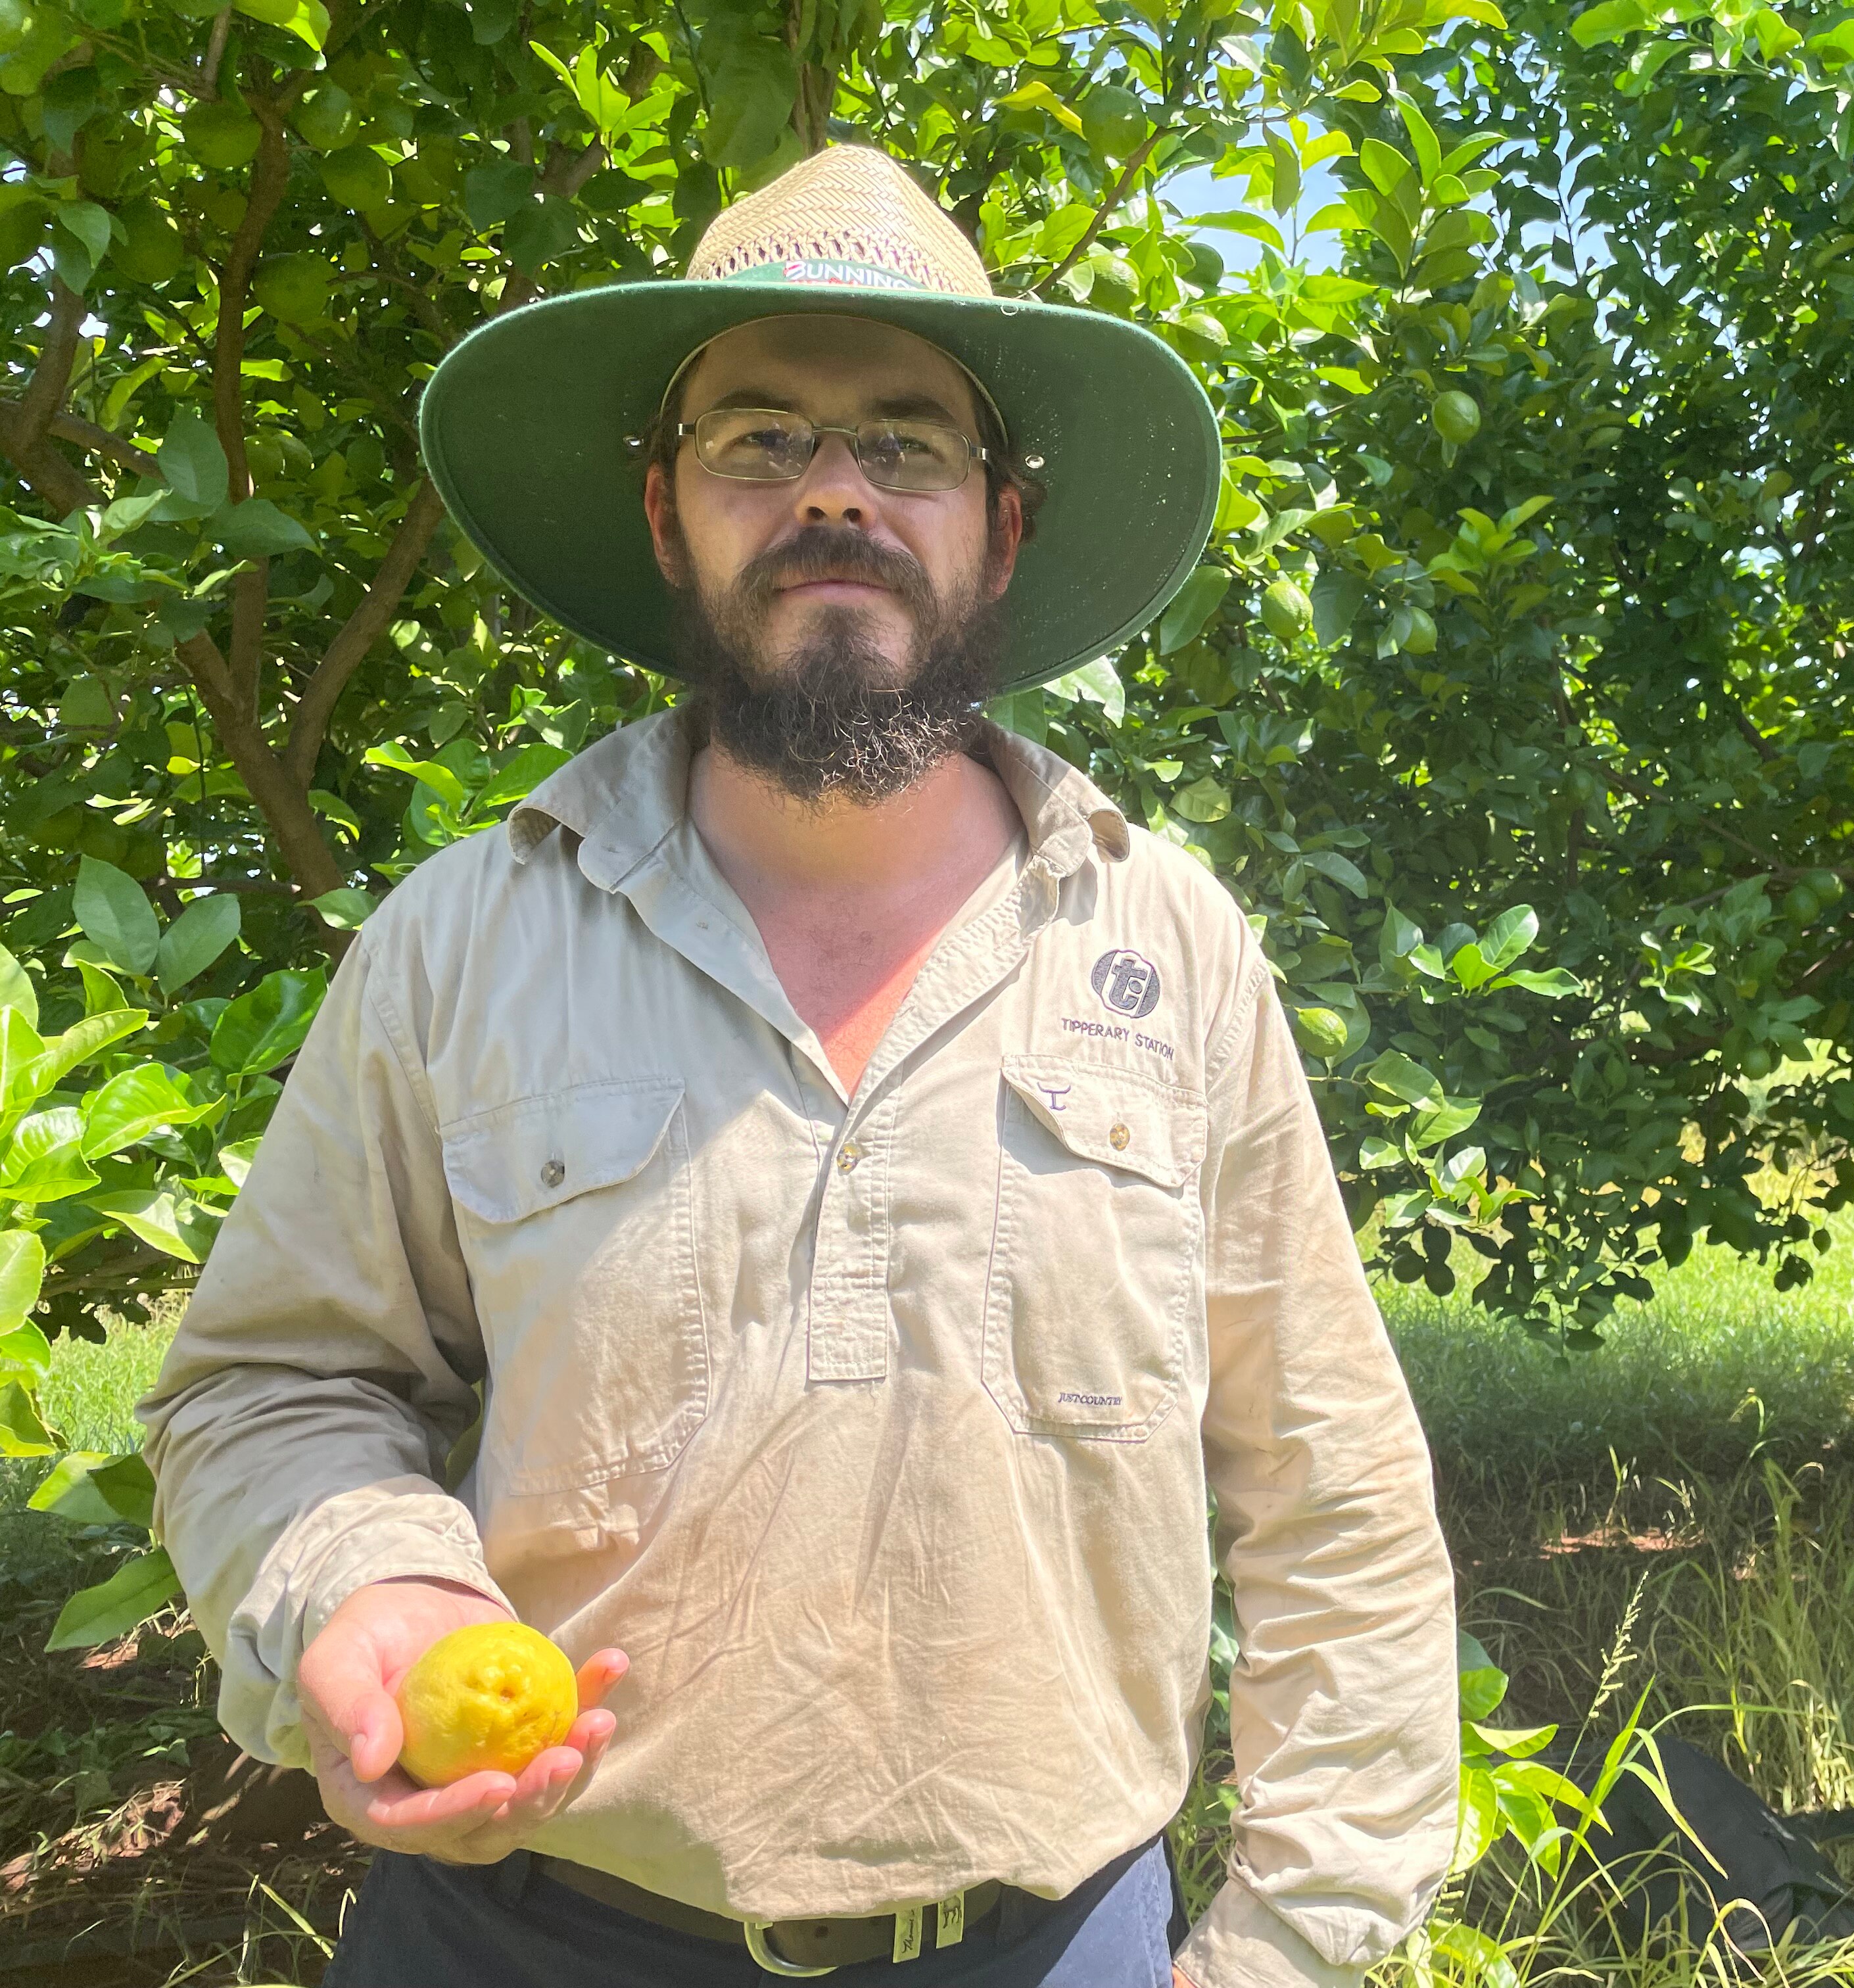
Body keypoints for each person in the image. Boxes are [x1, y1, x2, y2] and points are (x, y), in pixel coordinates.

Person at [139, 143, 1460, 1988]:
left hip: (1058, 1945)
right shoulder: (465, 940)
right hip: (518, 1938)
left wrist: (1293, 1954)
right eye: (758, 439)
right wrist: (363, 1589)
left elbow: (1334, 1497)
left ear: (1000, 528)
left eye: (905, 444)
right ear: (668, 518)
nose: (834, 491)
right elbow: (266, 1389)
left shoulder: (1166, 946)